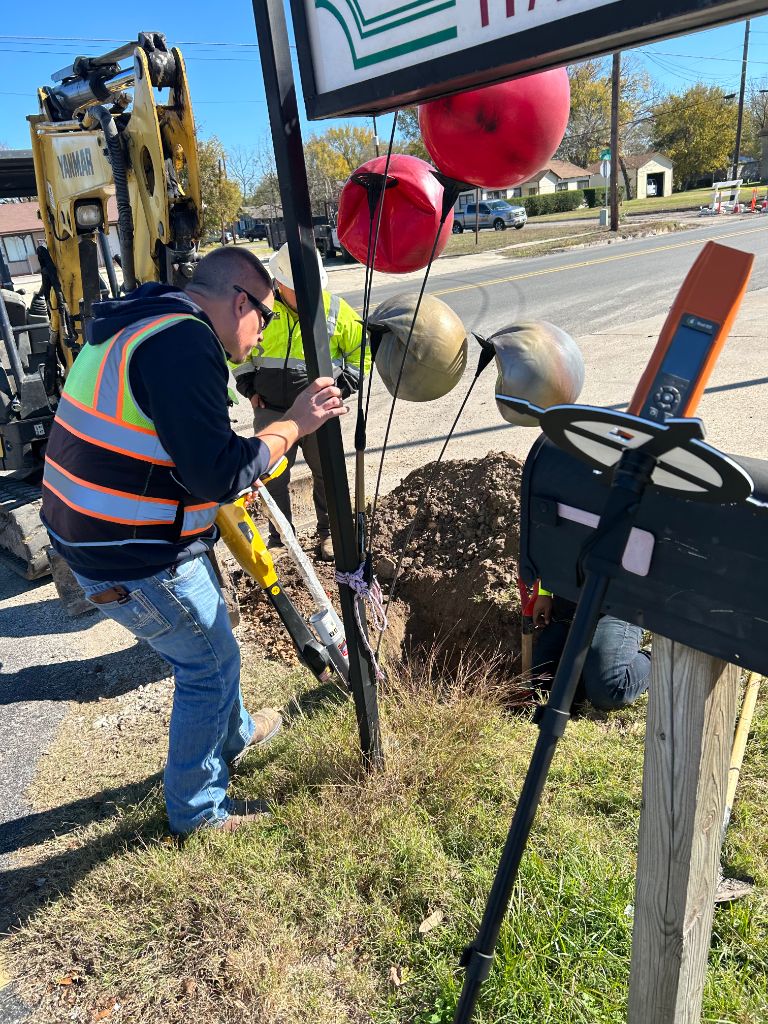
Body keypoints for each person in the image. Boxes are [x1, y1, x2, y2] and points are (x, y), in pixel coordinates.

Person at [40, 247, 348, 836]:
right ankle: (197, 811)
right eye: (264, 317)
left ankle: (231, 733)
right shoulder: (185, 343)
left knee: (214, 637)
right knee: (207, 663)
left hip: (94, 528)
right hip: (129, 551)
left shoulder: (142, 320)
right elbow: (218, 473)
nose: (262, 334)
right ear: (240, 303)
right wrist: (293, 425)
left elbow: (169, 443)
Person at [231, 242, 369, 562]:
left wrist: (341, 388)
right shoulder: (260, 311)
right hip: (274, 412)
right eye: (297, 288)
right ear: (279, 284)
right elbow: (237, 351)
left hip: (320, 412)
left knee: (328, 473)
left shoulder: (333, 309)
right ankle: (283, 540)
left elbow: (363, 352)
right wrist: (249, 387)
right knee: (273, 478)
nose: (307, 294)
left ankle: (330, 533)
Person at [530, 588, 651, 711]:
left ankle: (655, 658)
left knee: (609, 691)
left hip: (617, 606)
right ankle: (593, 667)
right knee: (545, 688)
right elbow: (551, 567)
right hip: (569, 600)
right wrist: (544, 593)